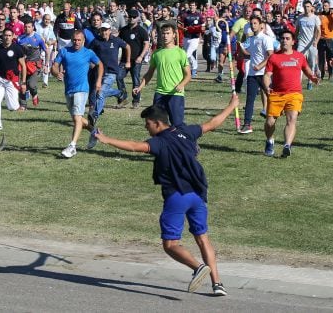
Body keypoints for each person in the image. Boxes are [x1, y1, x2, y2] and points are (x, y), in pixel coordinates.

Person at [94, 94, 240, 297]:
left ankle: (198, 268)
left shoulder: (160, 142)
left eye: (147, 124)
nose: (146, 127)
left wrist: (106, 139)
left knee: (170, 245)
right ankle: (218, 284)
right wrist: (232, 105)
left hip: (177, 197)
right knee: (202, 238)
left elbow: (136, 147)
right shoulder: (185, 132)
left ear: (157, 123)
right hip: (197, 195)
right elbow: (212, 124)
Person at [261, 30, 320, 157]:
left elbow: (307, 70)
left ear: (293, 42)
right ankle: (270, 140)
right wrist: (267, 86)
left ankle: (287, 145)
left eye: (287, 38)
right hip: (276, 94)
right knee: (270, 122)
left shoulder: (299, 56)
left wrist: (313, 77)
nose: (284, 41)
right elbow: (267, 75)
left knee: (292, 119)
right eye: (282, 38)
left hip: (294, 94)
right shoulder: (274, 57)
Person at [51, 29, 103, 158]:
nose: (76, 42)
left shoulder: (88, 53)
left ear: (84, 41)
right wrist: (56, 73)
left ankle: (72, 146)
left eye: (79, 40)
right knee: (77, 118)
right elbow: (54, 66)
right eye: (74, 40)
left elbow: (100, 64)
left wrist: (98, 81)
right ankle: (94, 132)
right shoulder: (64, 51)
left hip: (82, 89)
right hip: (68, 90)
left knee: (77, 118)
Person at [139, 23, 190, 128]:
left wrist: (181, 85)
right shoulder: (156, 53)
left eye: (168, 33)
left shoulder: (180, 53)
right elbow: (149, 73)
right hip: (160, 93)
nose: (165, 36)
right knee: (158, 124)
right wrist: (140, 86)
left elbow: (188, 75)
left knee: (177, 125)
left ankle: (190, 143)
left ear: (174, 35)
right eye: (163, 33)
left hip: (175, 94)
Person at [88, 22, 130, 131]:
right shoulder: (96, 41)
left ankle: (95, 115)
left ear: (109, 30)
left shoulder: (116, 40)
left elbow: (127, 47)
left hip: (111, 71)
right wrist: (91, 62)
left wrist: (128, 61)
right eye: (102, 30)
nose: (104, 32)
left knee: (101, 93)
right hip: (99, 71)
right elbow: (89, 52)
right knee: (99, 92)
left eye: (106, 30)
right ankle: (120, 93)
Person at [237, 16, 275, 134]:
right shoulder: (252, 39)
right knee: (250, 99)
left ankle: (273, 118)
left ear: (260, 25)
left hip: (264, 74)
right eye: (251, 23)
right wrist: (241, 49)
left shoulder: (265, 39)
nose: (253, 26)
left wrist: (260, 66)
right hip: (252, 74)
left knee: (271, 96)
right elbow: (249, 55)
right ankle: (247, 124)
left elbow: (270, 56)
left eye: (255, 23)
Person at [118, 9, 149, 108]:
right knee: (118, 77)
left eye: (134, 17)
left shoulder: (142, 30)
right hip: (124, 60)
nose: (131, 18)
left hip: (136, 60)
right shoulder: (123, 30)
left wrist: (141, 56)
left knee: (135, 80)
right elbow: (118, 43)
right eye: (130, 17)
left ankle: (136, 100)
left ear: (138, 18)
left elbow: (146, 44)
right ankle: (123, 98)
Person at [16, 19, 47, 108]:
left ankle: (35, 94)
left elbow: (47, 51)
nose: (27, 28)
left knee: (31, 85)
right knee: (22, 85)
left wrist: (46, 65)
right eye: (25, 27)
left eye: (29, 27)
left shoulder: (38, 38)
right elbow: (17, 51)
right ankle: (23, 105)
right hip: (22, 64)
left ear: (33, 27)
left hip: (34, 65)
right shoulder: (20, 38)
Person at [296, 1, 321, 90]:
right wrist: (295, 40)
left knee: (311, 63)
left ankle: (310, 81)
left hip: (312, 44)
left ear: (311, 7)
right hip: (301, 43)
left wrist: (316, 41)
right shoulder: (300, 18)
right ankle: (298, 83)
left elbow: (319, 31)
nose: (306, 8)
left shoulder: (315, 18)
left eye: (308, 6)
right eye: (305, 6)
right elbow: (297, 31)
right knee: (298, 62)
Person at [317, 1, 333, 80]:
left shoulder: (332, 15)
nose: (324, 7)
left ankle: (330, 74)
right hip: (321, 38)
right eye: (324, 6)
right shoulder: (320, 15)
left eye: (326, 6)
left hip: (330, 39)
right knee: (321, 58)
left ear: (329, 7)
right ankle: (321, 74)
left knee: (330, 57)